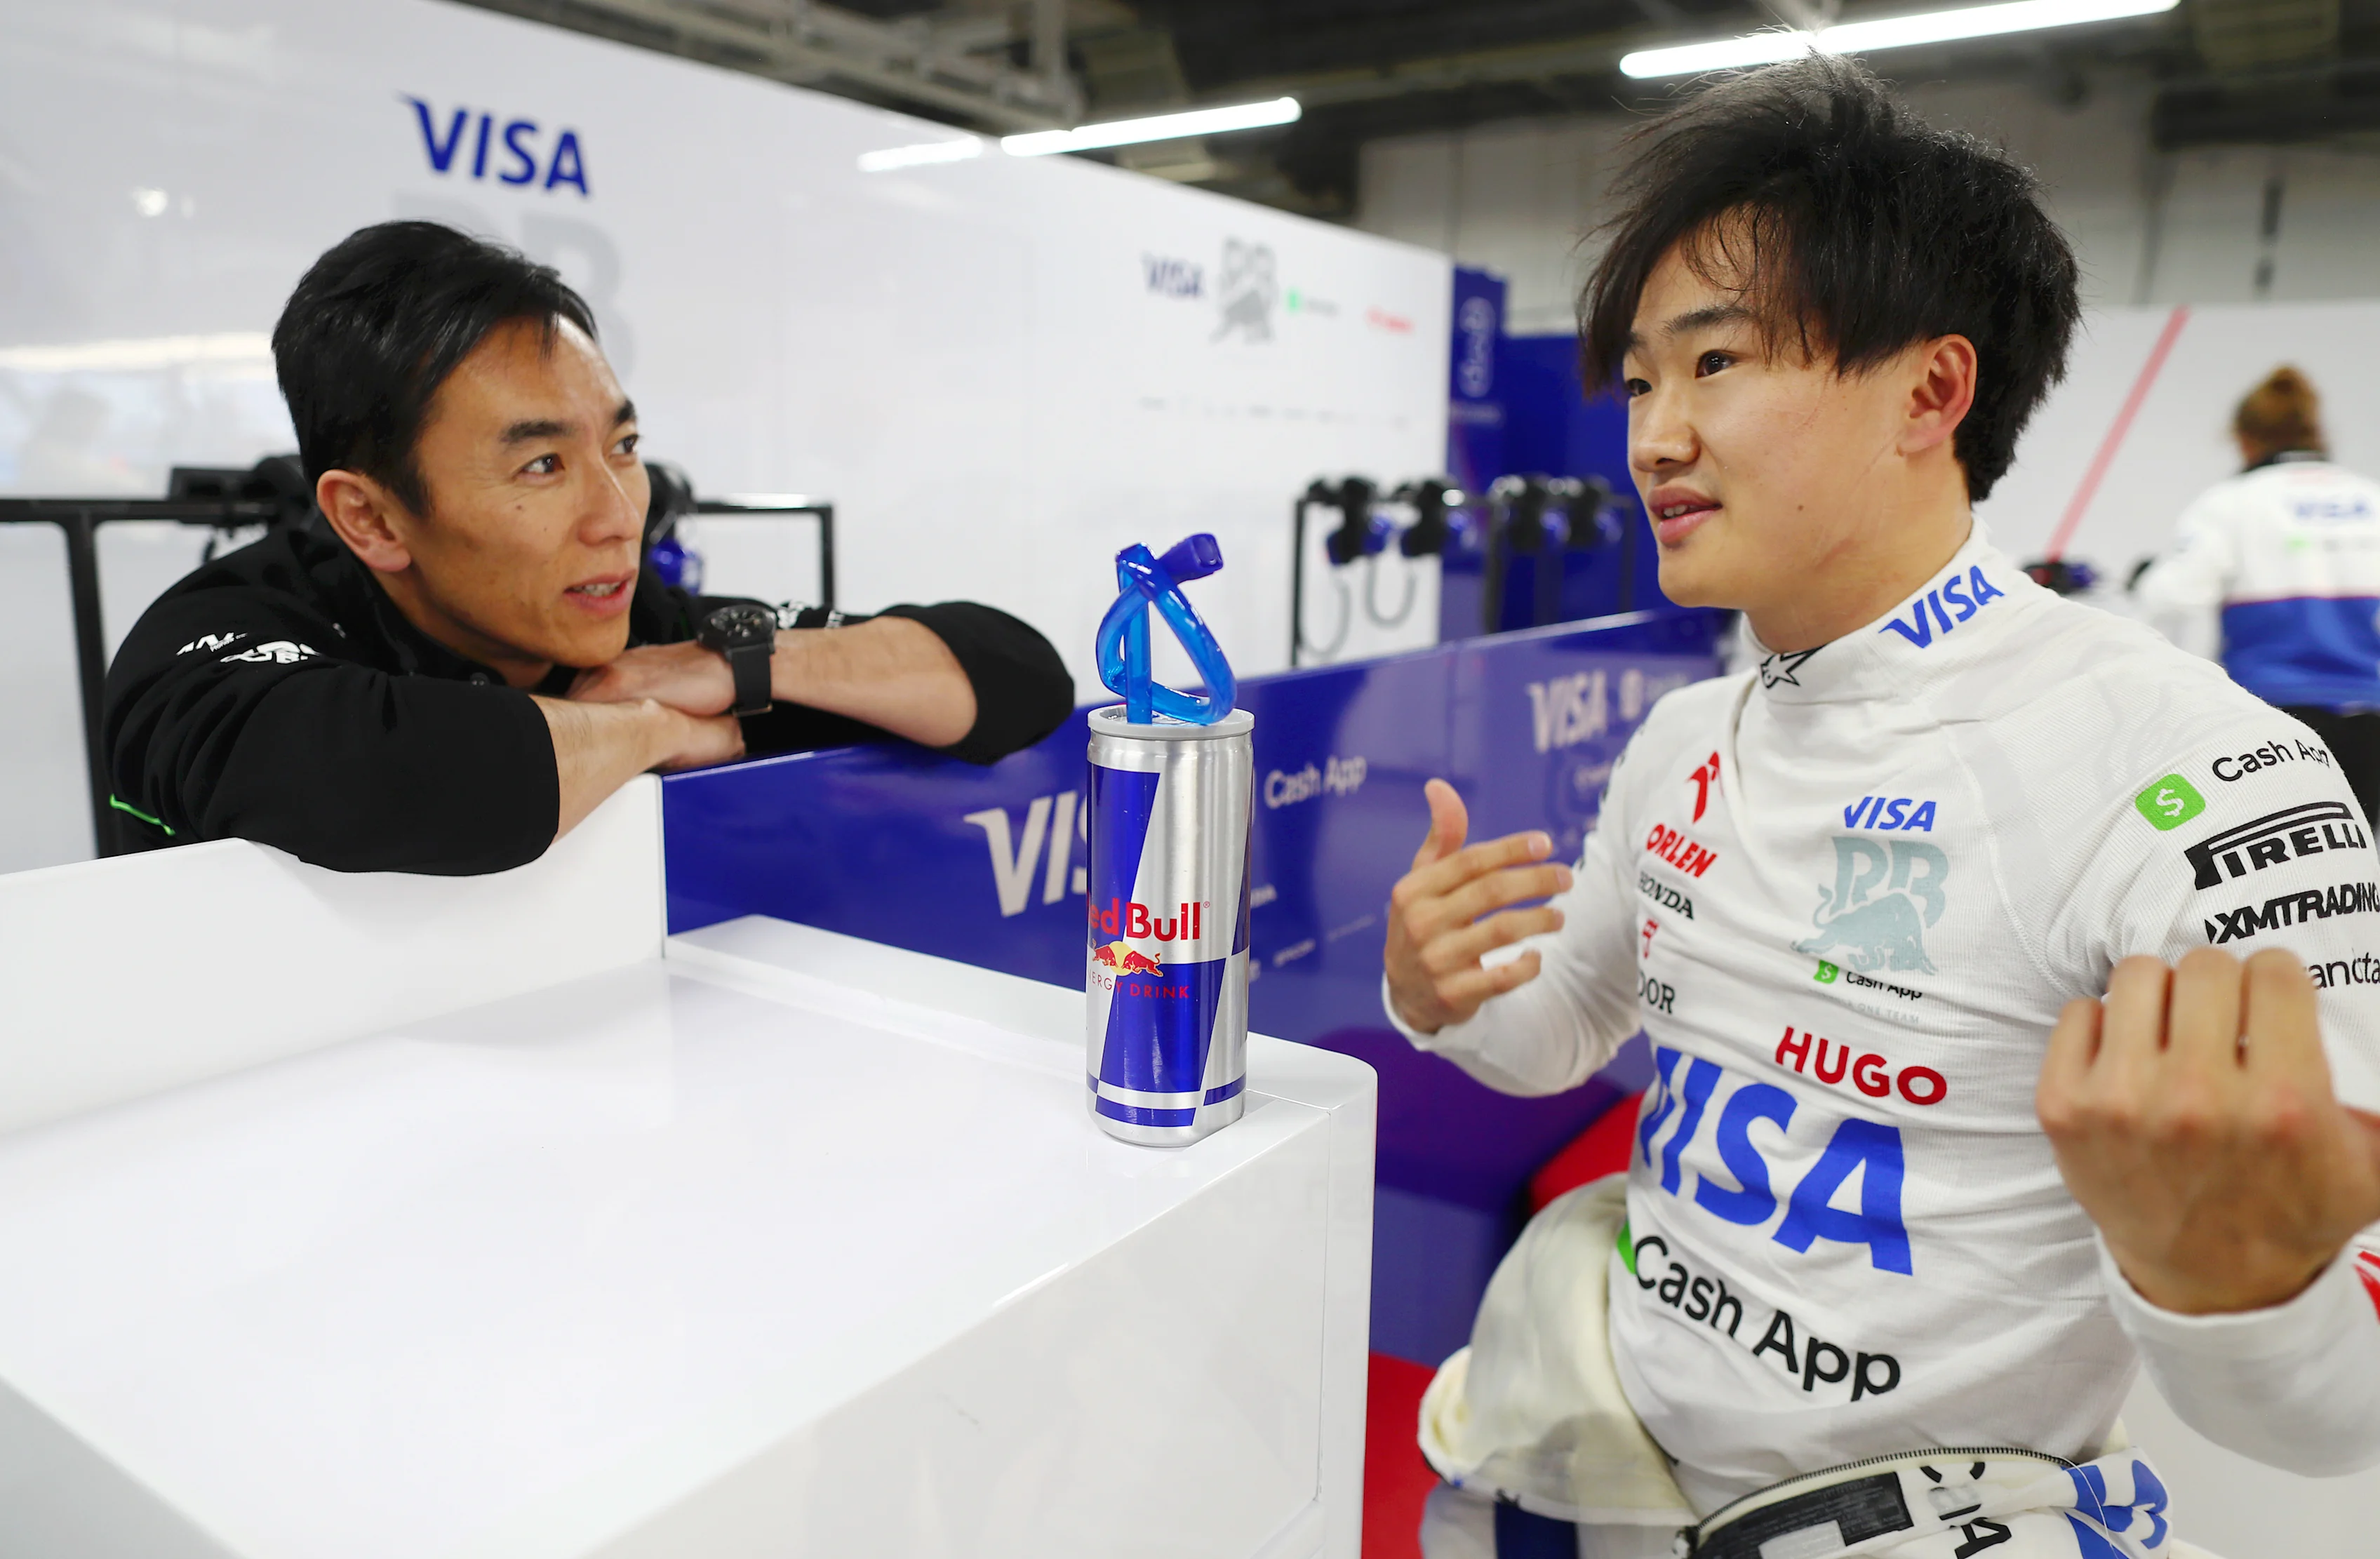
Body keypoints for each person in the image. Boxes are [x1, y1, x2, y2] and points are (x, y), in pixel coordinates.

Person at [1381, 58, 2380, 1559]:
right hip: (1594, 1466)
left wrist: (2230, 1290)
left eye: (1713, 364)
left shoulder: (2192, 774)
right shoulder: (1680, 737)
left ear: (1931, 389)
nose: (1651, 435)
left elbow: (2332, 1420)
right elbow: (1562, 1035)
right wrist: (1441, 996)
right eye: (1642, 379)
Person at [102, 222, 1073, 874]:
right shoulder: (220, 633)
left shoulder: (633, 625)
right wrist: (655, 727)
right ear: (373, 519)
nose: (620, 514)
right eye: (540, 467)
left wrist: (745, 665)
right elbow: (397, 775)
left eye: (623, 447)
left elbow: (1015, 677)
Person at [2134, 367, 2380, 824]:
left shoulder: (2231, 503)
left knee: (2284, 873)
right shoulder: (2370, 497)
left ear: (2245, 439)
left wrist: (2145, 577)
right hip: (2371, 719)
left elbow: (2173, 595)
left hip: (2274, 718)